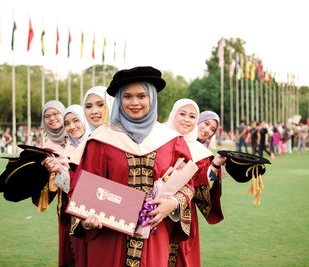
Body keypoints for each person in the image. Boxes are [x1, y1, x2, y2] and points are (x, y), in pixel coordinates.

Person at [66, 66, 194, 267]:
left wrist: (173, 203)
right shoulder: (100, 140)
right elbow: (82, 188)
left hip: (153, 235)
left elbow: (188, 183)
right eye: (127, 96)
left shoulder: (171, 140)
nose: (135, 102)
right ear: (118, 100)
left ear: (151, 98)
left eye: (141, 96)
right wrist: (85, 218)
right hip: (109, 237)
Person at [164, 100, 226, 267]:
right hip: (153, 207)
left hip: (183, 214)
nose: (207, 130)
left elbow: (199, 188)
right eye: (205, 124)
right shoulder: (158, 137)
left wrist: (214, 166)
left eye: (212, 129)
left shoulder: (202, 154)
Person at [42, 103, 91, 267]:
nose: (71, 127)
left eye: (76, 120)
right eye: (67, 122)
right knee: (72, 252)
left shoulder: (93, 143)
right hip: (67, 206)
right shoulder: (68, 146)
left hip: (92, 208)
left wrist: (66, 167)